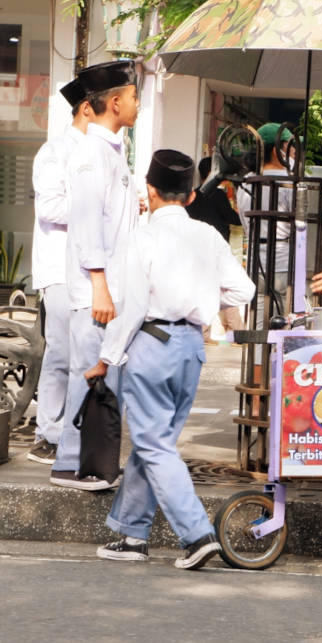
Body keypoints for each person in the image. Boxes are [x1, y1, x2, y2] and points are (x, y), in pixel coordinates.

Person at [86, 149, 255, 569]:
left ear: (149, 190)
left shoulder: (141, 238)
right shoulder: (208, 236)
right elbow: (244, 290)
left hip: (152, 345)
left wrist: (106, 358)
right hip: (191, 348)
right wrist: (203, 300)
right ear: (191, 195)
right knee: (154, 443)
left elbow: (133, 308)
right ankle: (133, 535)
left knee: (154, 444)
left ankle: (197, 535)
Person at [50, 60, 140, 490]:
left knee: (101, 378)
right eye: (135, 97)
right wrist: (100, 285)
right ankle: (72, 463)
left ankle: (94, 463)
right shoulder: (90, 154)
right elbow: (86, 224)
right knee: (88, 374)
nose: (138, 104)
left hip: (111, 288)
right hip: (95, 291)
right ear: (116, 102)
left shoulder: (111, 151)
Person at [26, 78, 92, 465]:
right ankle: (48, 434)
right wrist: (98, 207)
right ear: (87, 109)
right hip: (61, 269)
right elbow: (50, 208)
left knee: (86, 356)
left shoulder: (105, 153)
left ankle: (74, 433)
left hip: (93, 271)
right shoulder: (55, 152)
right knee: (62, 354)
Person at [236, 123, 294, 323]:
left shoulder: (246, 182)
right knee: (287, 329)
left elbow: (245, 221)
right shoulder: (290, 182)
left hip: (256, 262)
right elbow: (300, 225)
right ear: (277, 150)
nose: (293, 151)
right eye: (289, 146)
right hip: (284, 262)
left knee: (258, 328)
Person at [187, 156, 244, 341]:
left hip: (196, 252)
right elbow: (230, 217)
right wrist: (246, 218)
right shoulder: (217, 195)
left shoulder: (192, 196)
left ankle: (204, 333)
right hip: (216, 250)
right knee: (226, 289)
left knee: (203, 291)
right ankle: (237, 332)